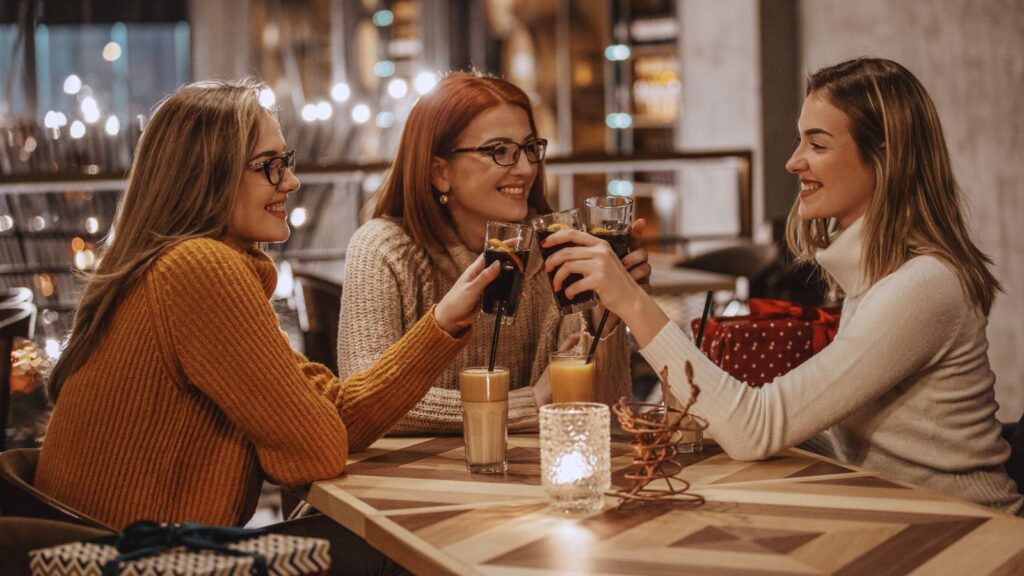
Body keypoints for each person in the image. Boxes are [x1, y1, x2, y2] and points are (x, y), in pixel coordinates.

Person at [34, 79, 500, 572]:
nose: (290, 182)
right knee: (420, 544)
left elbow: (334, 415)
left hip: (159, 553)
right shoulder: (198, 269)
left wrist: (443, 321)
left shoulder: (187, 266)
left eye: (287, 161)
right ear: (206, 176)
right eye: (268, 166)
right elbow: (315, 450)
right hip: (149, 563)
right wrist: (307, 424)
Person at [542, 57, 1024, 515]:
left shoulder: (924, 286)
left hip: (967, 532)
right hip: (893, 511)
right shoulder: (879, 276)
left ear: (884, 158)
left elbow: (756, 429)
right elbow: (837, 439)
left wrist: (632, 301)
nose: (793, 162)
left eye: (817, 144)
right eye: (800, 141)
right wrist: (719, 406)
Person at [338, 72, 651, 434]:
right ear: (440, 172)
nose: (526, 168)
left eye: (530, 148)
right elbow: (363, 403)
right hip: (411, 483)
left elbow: (602, 414)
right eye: (499, 151)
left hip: (534, 480)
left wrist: (608, 315)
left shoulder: (559, 246)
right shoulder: (382, 250)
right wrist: (528, 402)